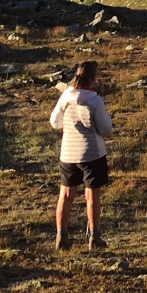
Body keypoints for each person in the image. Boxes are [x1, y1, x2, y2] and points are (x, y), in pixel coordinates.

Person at [48, 60, 114, 251]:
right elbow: (106, 128)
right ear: (93, 78)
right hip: (92, 153)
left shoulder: (66, 96)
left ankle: (61, 236)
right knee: (92, 196)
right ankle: (94, 237)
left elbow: (54, 122)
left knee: (66, 195)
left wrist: (67, 128)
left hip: (68, 152)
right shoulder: (95, 101)